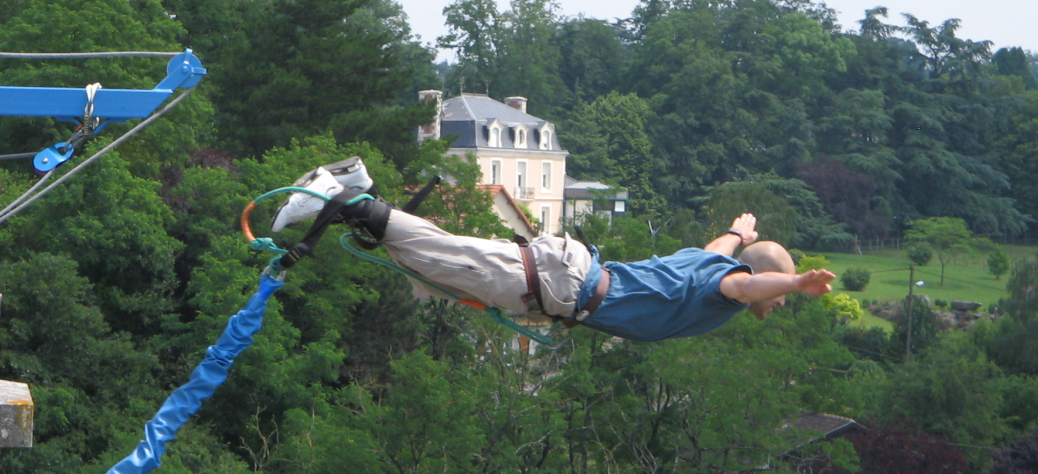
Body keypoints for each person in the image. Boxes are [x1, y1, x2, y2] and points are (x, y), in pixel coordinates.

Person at [271, 158, 836, 342]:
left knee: (433, 261)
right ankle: (340, 194)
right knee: (438, 261)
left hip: (564, 280)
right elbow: (744, 283)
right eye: (781, 292)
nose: (782, 301)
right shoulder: (728, 290)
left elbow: (724, 251)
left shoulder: (714, 258)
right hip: (562, 285)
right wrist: (794, 282)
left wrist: (741, 230)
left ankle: (360, 193)